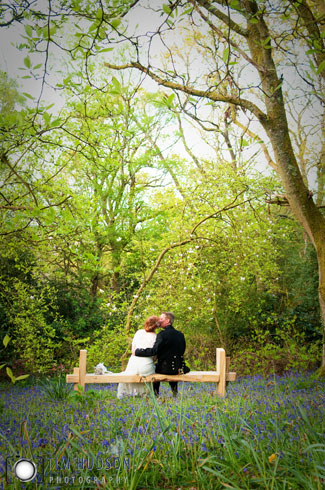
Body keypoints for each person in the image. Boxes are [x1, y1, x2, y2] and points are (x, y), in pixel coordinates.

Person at [134, 312, 187, 397]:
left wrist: (138, 351)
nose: (159, 321)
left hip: (164, 369)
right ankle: (174, 393)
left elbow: (154, 351)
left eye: (161, 319)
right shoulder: (180, 334)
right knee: (171, 364)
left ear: (168, 321)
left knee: (155, 369)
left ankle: (156, 394)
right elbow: (182, 350)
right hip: (179, 368)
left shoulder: (162, 335)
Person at [117, 316, 160, 399]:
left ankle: (128, 395)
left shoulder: (138, 332)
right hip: (146, 366)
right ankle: (145, 394)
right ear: (156, 326)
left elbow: (133, 351)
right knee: (151, 370)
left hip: (133, 365)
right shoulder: (156, 337)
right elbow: (155, 357)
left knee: (128, 372)